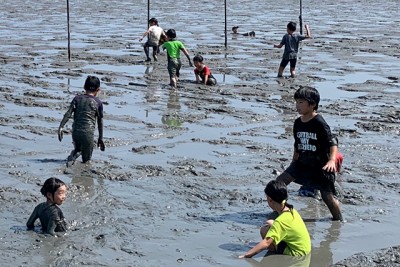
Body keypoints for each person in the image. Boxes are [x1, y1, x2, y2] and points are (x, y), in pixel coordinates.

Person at [276, 86, 343, 221]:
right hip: (302, 163)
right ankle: (282, 212)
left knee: (327, 197)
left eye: (301, 102)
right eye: (296, 102)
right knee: (279, 183)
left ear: (312, 104)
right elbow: (297, 144)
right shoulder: (297, 123)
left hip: (321, 165)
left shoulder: (319, 122)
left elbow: (332, 143)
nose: (297, 106)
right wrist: (293, 162)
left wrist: (331, 160)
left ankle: (338, 220)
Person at [239, 180, 311, 258]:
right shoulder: (291, 210)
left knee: (264, 229)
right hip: (305, 248)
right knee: (270, 223)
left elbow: (266, 242)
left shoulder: (280, 221)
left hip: (296, 254)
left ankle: (273, 249)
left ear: (270, 199)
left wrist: (246, 255)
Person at [58, 75, 105, 166]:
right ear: (98, 90)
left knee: (77, 150)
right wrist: (100, 138)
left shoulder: (77, 99)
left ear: (84, 87)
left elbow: (68, 114)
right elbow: (100, 122)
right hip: (88, 133)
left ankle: (72, 158)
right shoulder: (98, 103)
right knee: (86, 161)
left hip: (76, 132)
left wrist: (61, 127)